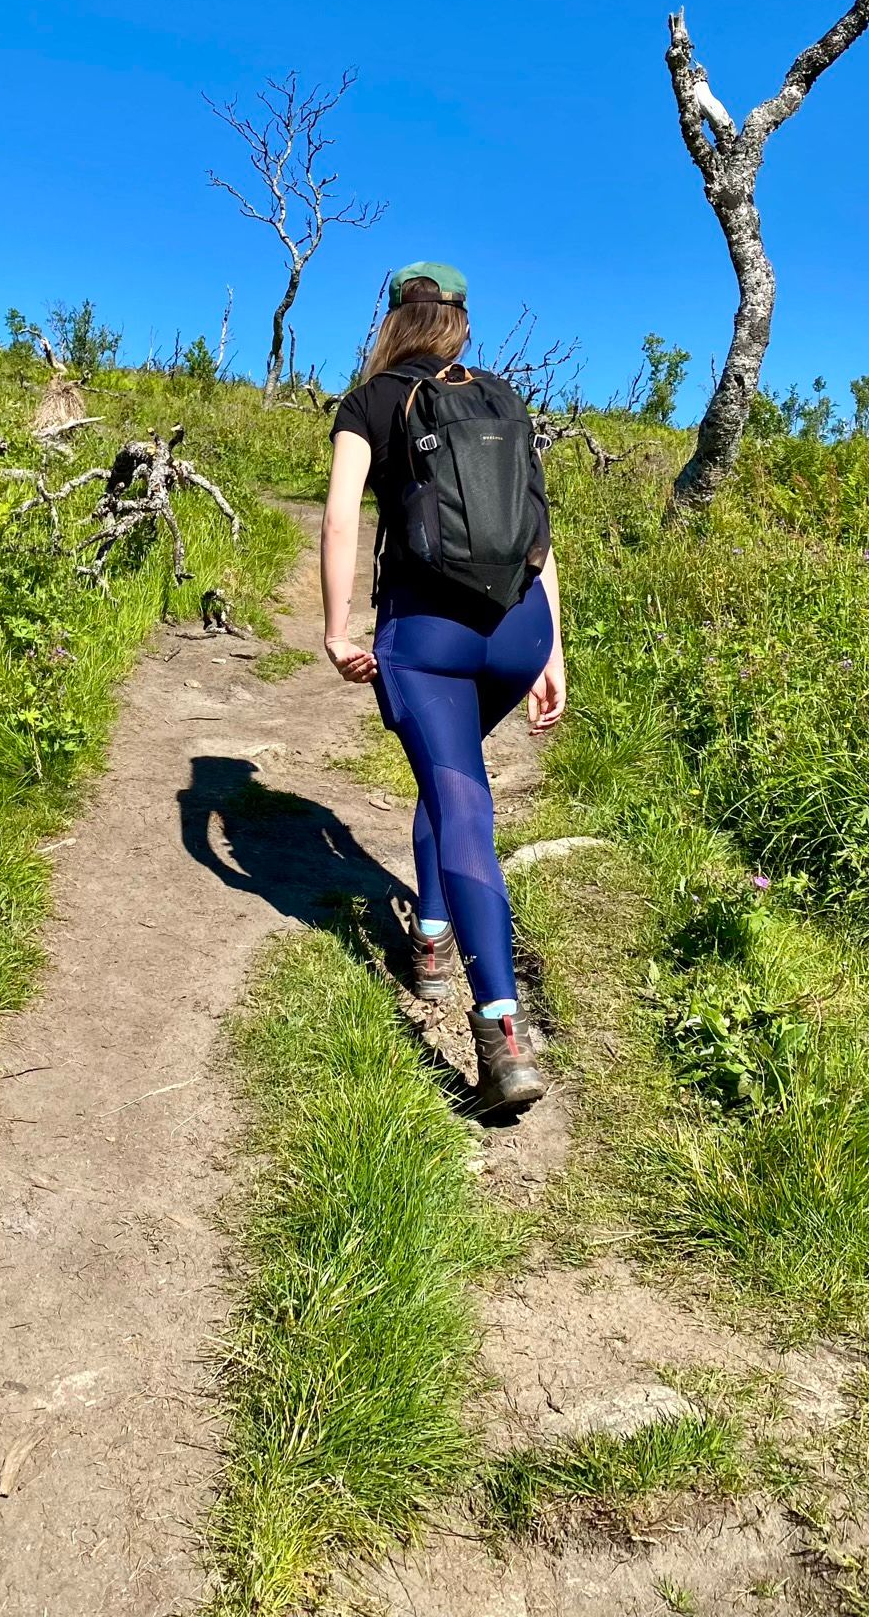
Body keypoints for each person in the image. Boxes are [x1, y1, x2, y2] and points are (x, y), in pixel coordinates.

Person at [321, 262, 566, 1113]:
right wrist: (552, 650)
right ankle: (430, 936)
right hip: (519, 628)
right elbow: (537, 527)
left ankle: (499, 1030)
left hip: (427, 638)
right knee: (449, 771)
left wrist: (335, 629)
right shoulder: (501, 397)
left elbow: (342, 515)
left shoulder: (371, 400)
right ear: (459, 323)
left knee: (460, 798)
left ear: (395, 318)